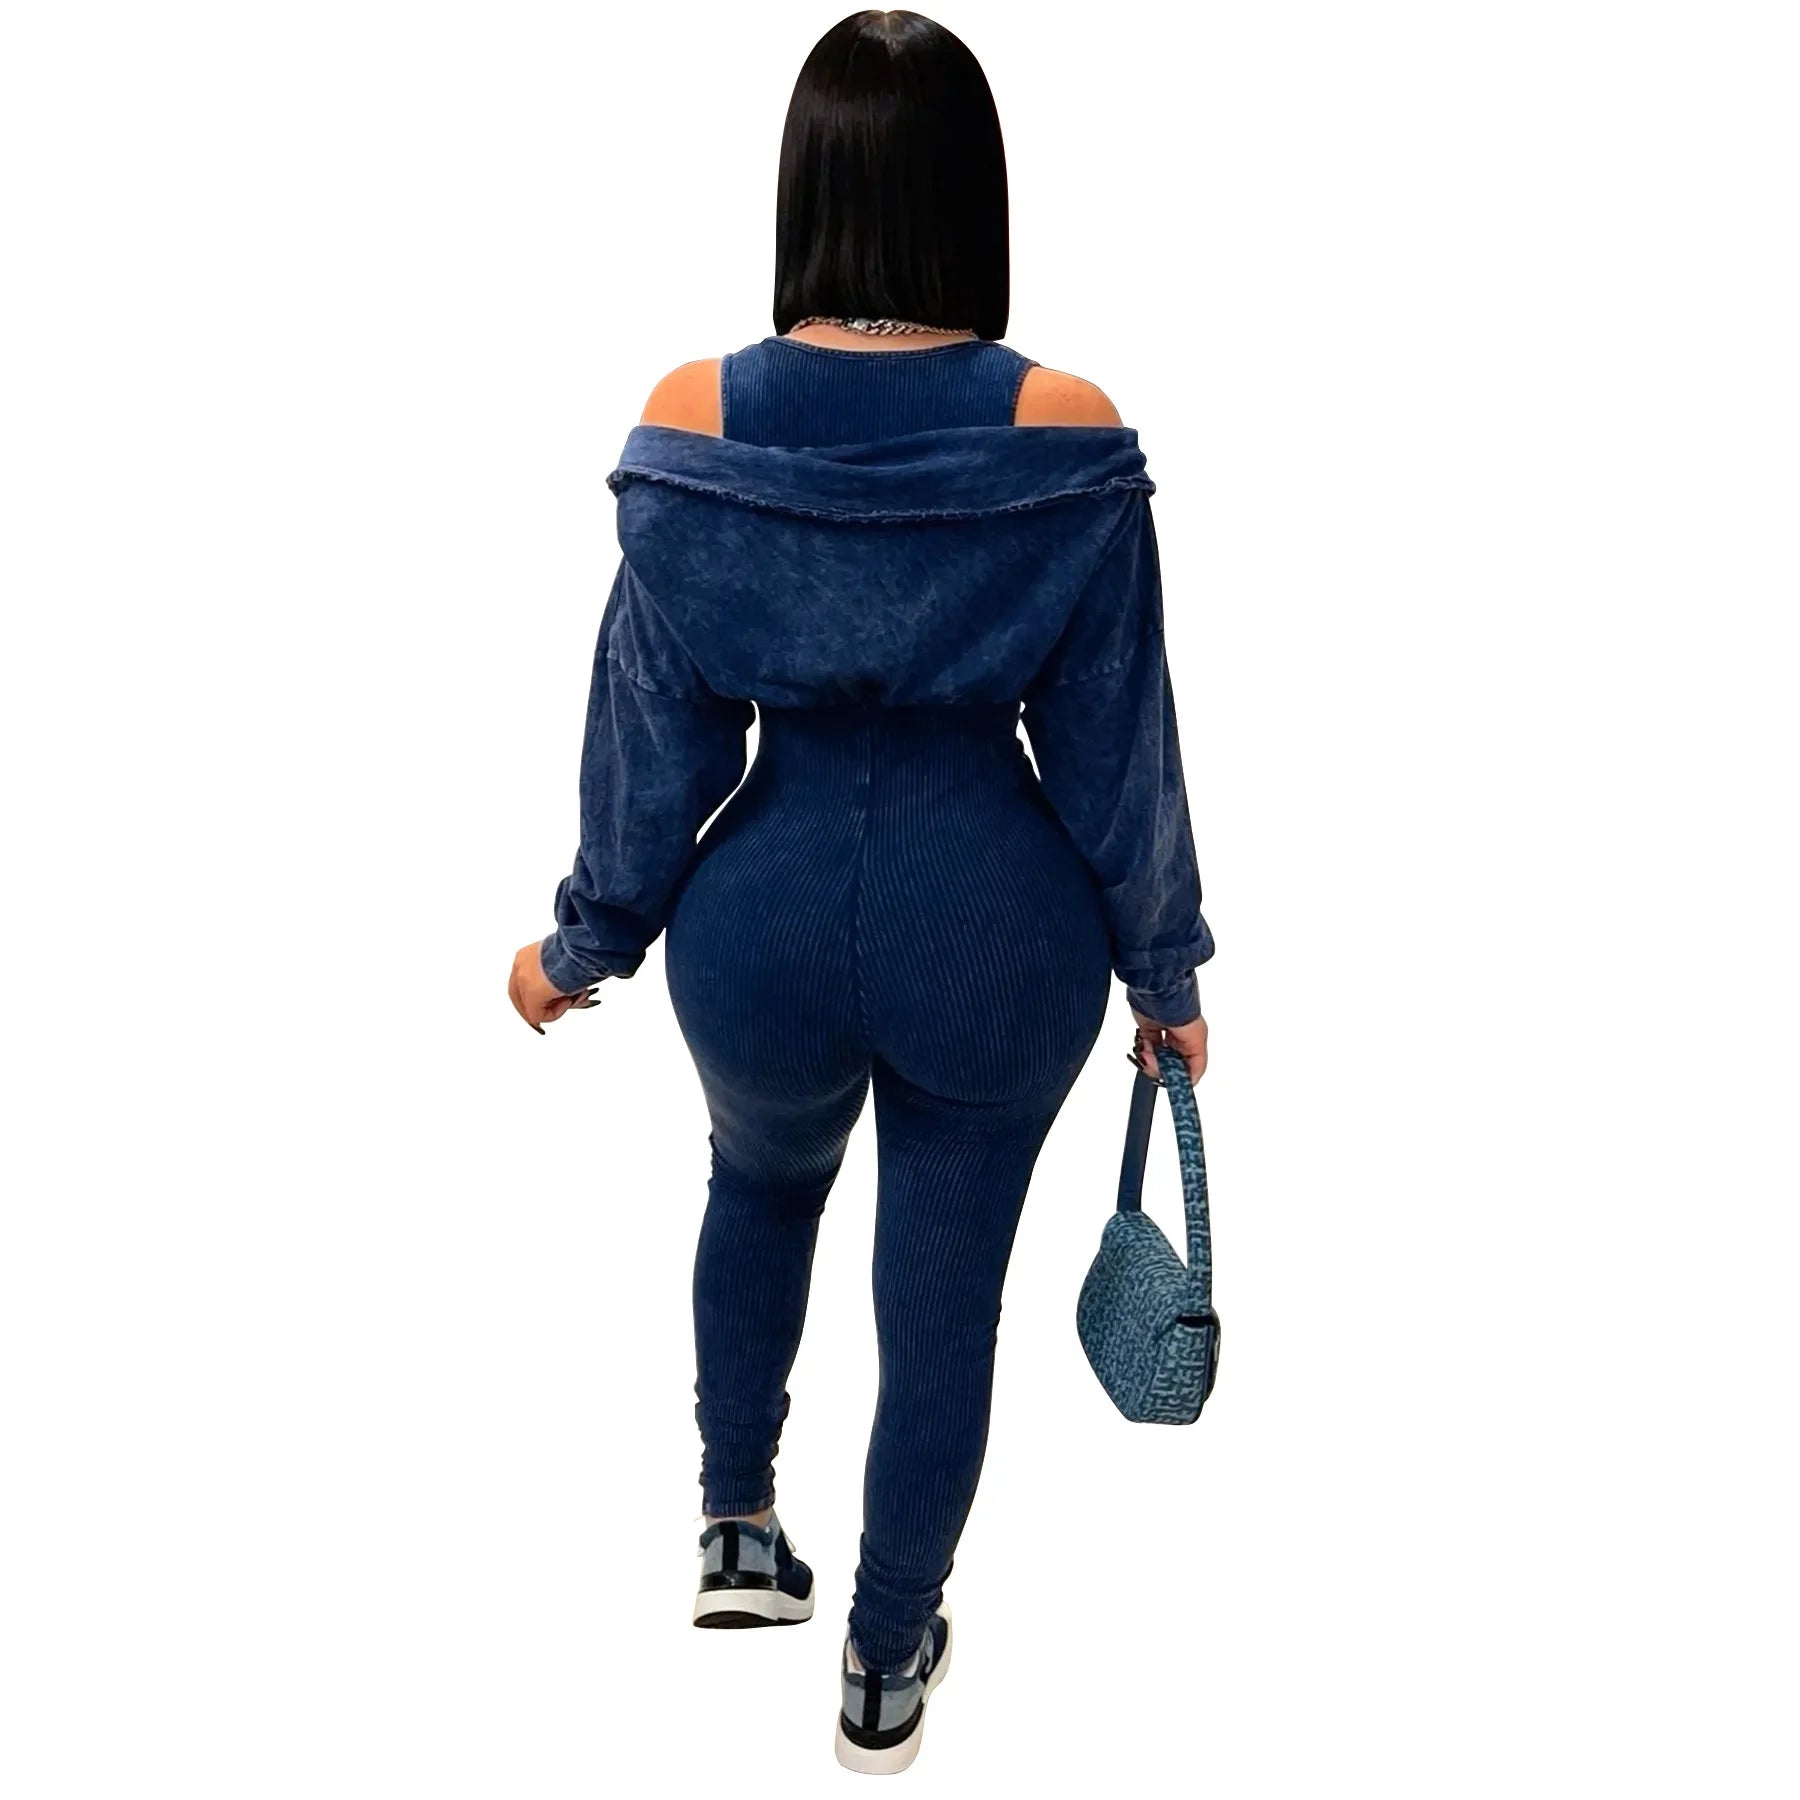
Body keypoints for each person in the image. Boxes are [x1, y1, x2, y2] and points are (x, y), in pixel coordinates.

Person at [506, 10, 1213, 1775]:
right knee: (944, 1294)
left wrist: (584, 942)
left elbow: (653, 730)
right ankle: (888, 1659)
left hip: (760, 918)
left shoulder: (695, 416)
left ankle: (737, 1529)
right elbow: (1118, 746)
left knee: (759, 1187)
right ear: (975, 191)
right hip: (999, 923)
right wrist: (1166, 975)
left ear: (805, 185)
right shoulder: (1064, 423)